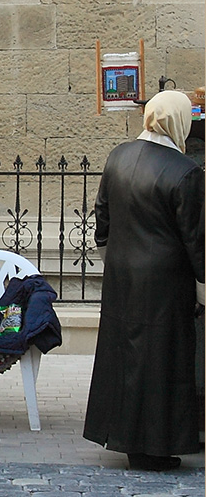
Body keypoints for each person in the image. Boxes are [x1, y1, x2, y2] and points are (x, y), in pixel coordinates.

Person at [84, 90, 205, 471]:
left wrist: (114, 260)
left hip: (122, 276)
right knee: (161, 363)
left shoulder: (118, 156)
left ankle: (124, 437)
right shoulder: (186, 171)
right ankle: (157, 444)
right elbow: (196, 239)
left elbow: (101, 220)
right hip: (166, 282)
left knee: (124, 358)